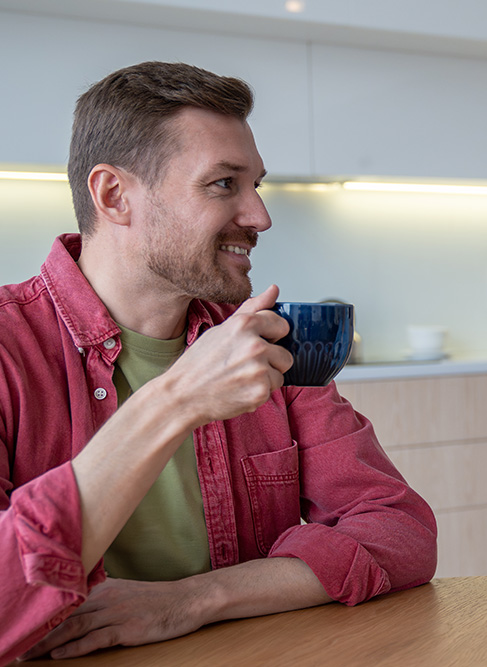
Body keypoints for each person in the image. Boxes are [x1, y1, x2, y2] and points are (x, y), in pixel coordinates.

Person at [0, 61, 437, 662]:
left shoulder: (265, 343)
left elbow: (400, 530)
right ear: (114, 195)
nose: (260, 215)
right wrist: (175, 400)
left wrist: (192, 600)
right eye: (223, 184)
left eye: (255, 184)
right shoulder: (8, 350)